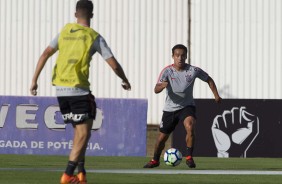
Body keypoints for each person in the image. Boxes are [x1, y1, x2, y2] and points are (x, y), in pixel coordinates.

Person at [30, 0, 131, 183]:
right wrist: (124, 79)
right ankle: (67, 175)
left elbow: (45, 53)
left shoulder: (65, 31)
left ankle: (81, 173)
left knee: (80, 132)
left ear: (76, 14)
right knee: (84, 133)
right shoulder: (94, 36)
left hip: (61, 91)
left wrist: (34, 80)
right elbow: (113, 64)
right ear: (91, 15)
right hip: (78, 90)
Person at [143, 44, 221, 169]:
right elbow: (156, 89)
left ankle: (189, 158)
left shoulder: (193, 71)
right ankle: (155, 160)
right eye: (177, 55)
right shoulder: (167, 71)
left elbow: (208, 79)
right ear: (173, 56)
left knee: (190, 126)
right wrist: (161, 86)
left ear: (186, 56)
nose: (180, 58)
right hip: (170, 109)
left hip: (187, 106)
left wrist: (216, 95)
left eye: (182, 55)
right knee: (161, 139)